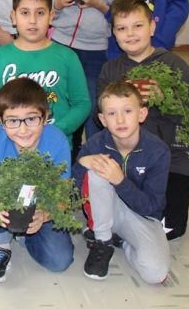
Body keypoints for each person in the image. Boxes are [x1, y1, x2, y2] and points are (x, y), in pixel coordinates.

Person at [97, 0, 189, 240]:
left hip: (173, 159)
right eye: (122, 28)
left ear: (152, 26)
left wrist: (166, 99)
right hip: (127, 159)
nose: (131, 34)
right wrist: (118, 103)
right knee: (115, 211)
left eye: (138, 26)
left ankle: (137, 224)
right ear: (114, 32)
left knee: (171, 228)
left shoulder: (175, 65)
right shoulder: (111, 70)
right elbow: (98, 117)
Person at [0, 78, 74, 282]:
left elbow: (64, 195)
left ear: (46, 116)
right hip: (3, 201)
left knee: (59, 261)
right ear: (0, 121)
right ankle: (0, 244)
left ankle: (22, 235)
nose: (23, 130)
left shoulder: (57, 140)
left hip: (39, 203)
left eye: (31, 119)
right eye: (13, 121)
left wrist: (45, 215)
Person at [73, 81, 171, 283]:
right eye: (111, 114)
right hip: (106, 210)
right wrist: (83, 163)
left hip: (143, 217)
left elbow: (151, 206)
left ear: (142, 114)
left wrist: (120, 181)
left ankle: (124, 240)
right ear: (102, 119)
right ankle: (103, 241)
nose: (120, 119)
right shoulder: (96, 144)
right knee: (97, 169)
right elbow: (74, 188)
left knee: (154, 274)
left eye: (127, 111)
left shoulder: (158, 151)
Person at [51, 0, 127, 149]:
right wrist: (58, 4)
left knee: (94, 107)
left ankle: (94, 161)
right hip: (62, 45)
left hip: (95, 50)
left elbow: (123, 0)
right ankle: (65, 157)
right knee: (62, 104)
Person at [0, 0, 91, 143]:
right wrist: (3, 129)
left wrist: (57, 130)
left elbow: (82, 103)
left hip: (55, 145)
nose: (32, 20)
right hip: (10, 144)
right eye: (25, 13)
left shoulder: (67, 56)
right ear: (13, 17)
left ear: (51, 17)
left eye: (40, 13)